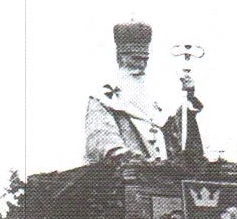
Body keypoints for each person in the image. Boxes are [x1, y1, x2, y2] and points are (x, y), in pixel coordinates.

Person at [85, 20, 204, 163]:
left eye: (145, 59)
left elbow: (175, 136)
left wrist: (188, 100)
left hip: (160, 171)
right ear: (120, 57)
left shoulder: (154, 95)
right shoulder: (103, 98)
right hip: (125, 172)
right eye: (135, 59)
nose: (141, 65)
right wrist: (125, 157)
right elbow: (101, 139)